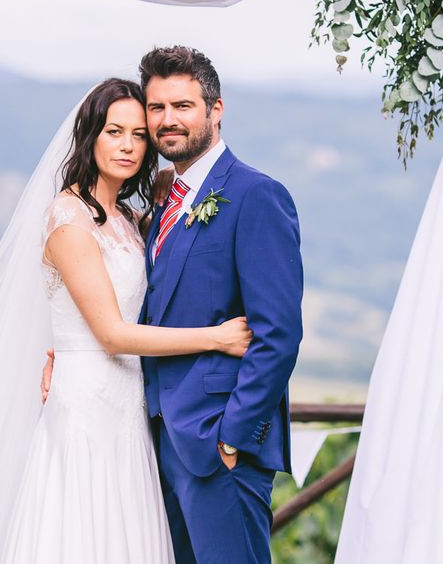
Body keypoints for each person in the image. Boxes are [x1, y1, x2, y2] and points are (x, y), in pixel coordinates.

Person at [0, 77, 251, 563]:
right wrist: (217, 338)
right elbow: (112, 333)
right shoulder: (67, 219)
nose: (127, 145)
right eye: (113, 131)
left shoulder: (125, 217)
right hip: (85, 408)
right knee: (81, 533)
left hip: (127, 407)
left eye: (139, 135)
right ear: (90, 136)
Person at [43, 47, 304, 564]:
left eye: (182, 106)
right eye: (156, 110)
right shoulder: (159, 204)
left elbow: (278, 336)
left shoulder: (256, 195)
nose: (166, 121)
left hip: (217, 445)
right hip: (150, 438)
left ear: (216, 109)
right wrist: (63, 351)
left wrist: (234, 437)